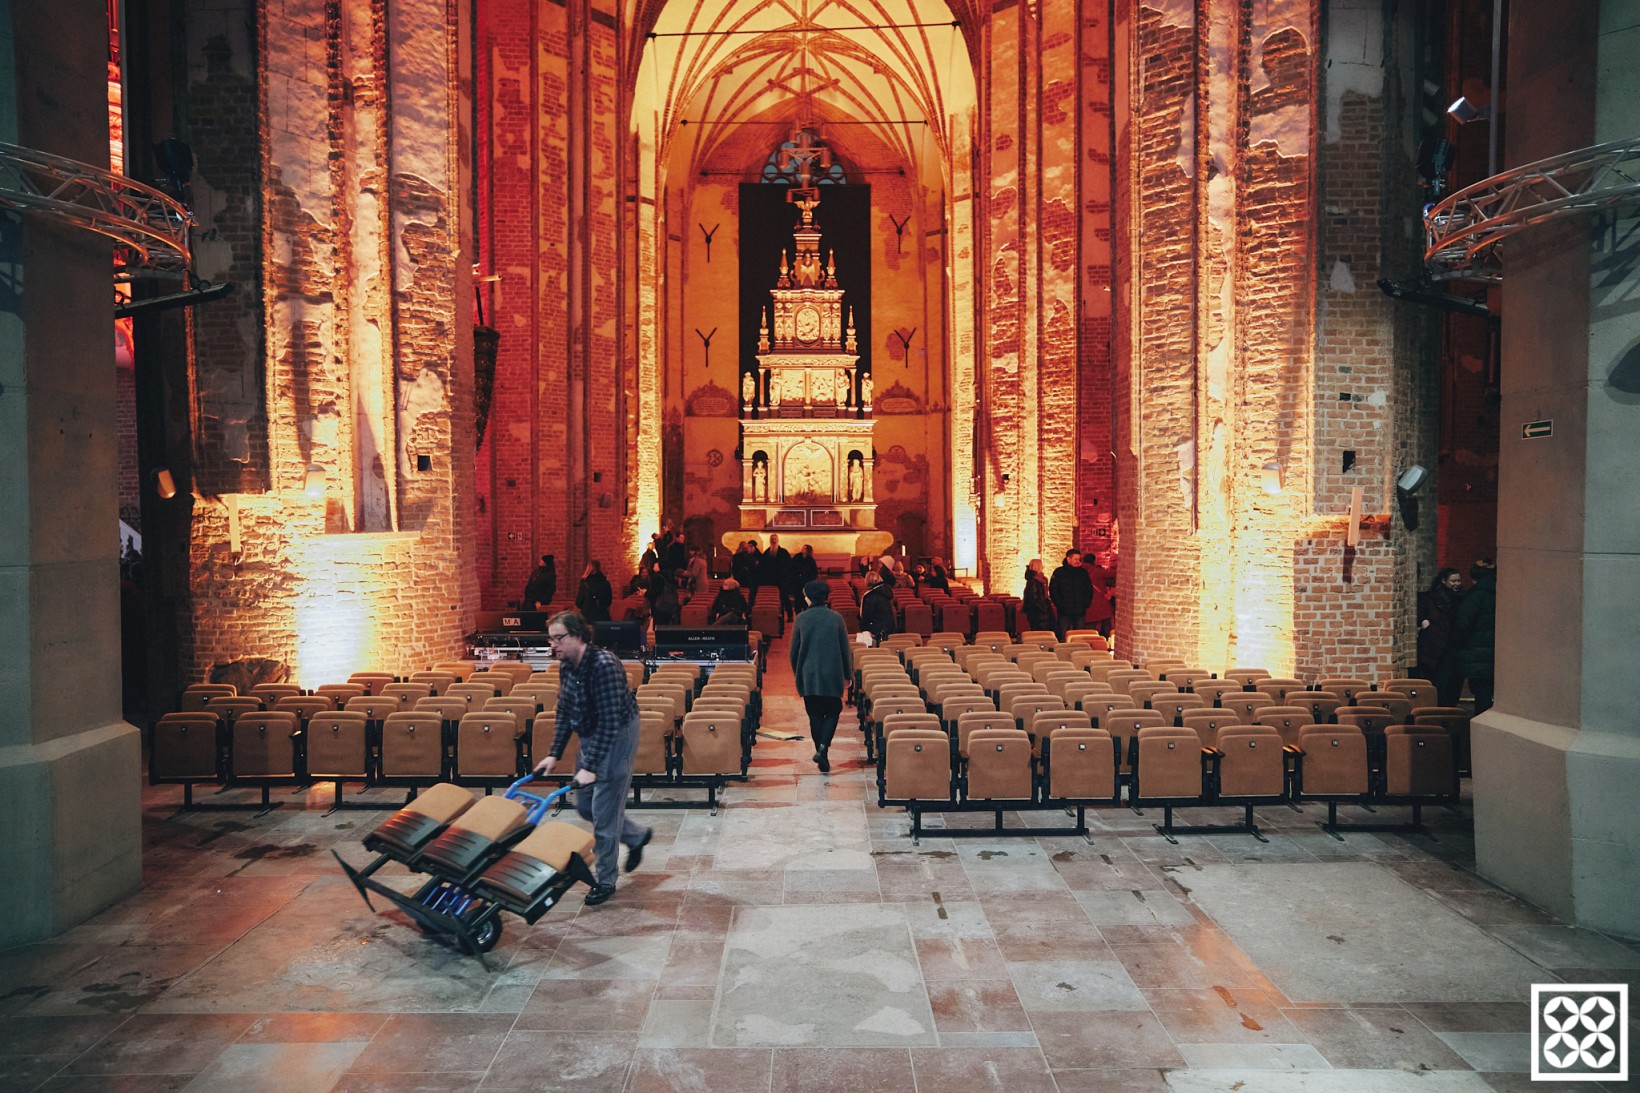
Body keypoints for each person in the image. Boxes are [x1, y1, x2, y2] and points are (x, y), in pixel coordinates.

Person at [533, 612, 652, 906]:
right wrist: (554, 753)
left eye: (559, 638)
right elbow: (565, 711)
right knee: (584, 804)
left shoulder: (605, 665)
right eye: (551, 639)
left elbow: (610, 721)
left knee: (603, 814)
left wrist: (590, 766)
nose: (553, 645)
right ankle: (636, 837)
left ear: (578, 636)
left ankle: (605, 880)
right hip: (592, 732)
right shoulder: (568, 665)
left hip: (617, 734)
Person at [789, 579, 852, 773]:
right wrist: (847, 674)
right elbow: (845, 649)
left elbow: (794, 651)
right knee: (833, 710)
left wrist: (798, 672)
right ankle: (823, 750)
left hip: (809, 672)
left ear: (809, 597)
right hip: (832, 671)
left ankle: (820, 751)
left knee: (814, 714)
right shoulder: (836, 618)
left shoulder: (801, 618)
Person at [1451, 559, 1497, 714]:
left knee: (1482, 694)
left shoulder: (1475, 596)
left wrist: (1457, 648)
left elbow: (1463, 625)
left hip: (1477, 655)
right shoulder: (1507, 592)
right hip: (1502, 656)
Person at [1417, 567, 1464, 705]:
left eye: (1458, 580)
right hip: (1436, 646)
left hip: (1452, 645)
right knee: (1439, 681)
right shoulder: (1432, 598)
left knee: (1451, 683)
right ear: (1444, 581)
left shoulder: (1462, 598)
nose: (1457, 584)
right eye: (1453, 580)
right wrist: (1425, 623)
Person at [1048, 548, 1094, 639]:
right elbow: (1053, 589)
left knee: (1079, 635)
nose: (1078, 561)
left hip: (1080, 609)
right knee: (1063, 634)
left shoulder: (1083, 573)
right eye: (1075, 559)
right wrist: (1059, 604)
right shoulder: (1059, 572)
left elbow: (1089, 589)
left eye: (1079, 559)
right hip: (1064, 610)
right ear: (1068, 559)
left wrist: (1086, 603)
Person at [859, 568, 896, 646]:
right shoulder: (884, 592)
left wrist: (863, 627)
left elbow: (867, 615)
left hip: (877, 629)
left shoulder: (871, 596)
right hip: (888, 627)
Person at [1081, 550, 1114, 637]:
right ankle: (1108, 641)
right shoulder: (1097, 571)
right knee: (1106, 624)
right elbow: (1112, 574)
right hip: (1100, 601)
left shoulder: (1079, 571)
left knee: (1089, 626)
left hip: (1084, 601)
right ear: (1094, 560)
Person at [760, 533, 792, 620]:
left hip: (782, 580)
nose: (773, 540)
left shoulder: (784, 552)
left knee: (785, 598)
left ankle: (790, 616)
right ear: (770, 541)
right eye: (772, 539)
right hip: (770, 581)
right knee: (772, 600)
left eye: (775, 539)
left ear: (778, 540)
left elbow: (789, 566)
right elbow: (763, 567)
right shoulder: (766, 553)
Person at [1022, 559, 1054, 633]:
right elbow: (1034, 597)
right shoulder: (1033, 581)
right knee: (1039, 631)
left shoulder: (1041, 579)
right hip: (1037, 610)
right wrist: (1043, 607)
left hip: (1041, 608)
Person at [790, 544, 819, 609]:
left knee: (805, 600)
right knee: (797, 599)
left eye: (805, 548)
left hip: (806, 583)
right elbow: (792, 568)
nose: (802, 549)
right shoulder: (797, 557)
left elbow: (813, 572)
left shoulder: (811, 561)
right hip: (797, 583)